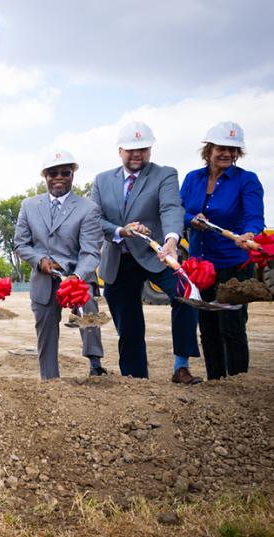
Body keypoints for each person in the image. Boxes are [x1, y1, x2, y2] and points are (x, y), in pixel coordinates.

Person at [91, 122, 201, 384]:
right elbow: (94, 219)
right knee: (129, 326)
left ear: (150, 149)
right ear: (120, 151)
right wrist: (122, 230)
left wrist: (172, 239)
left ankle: (181, 366)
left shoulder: (165, 175)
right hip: (119, 259)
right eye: (131, 150)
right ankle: (136, 380)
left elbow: (171, 209)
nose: (137, 154)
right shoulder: (102, 180)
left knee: (187, 295)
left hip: (157, 255)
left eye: (143, 148)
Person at [181, 121, 265, 379]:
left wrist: (249, 234)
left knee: (232, 327)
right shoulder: (192, 178)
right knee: (208, 327)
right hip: (202, 267)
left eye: (233, 148)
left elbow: (254, 217)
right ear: (209, 150)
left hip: (233, 266)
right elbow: (178, 210)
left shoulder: (247, 180)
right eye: (221, 148)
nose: (227, 153)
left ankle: (238, 383)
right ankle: (215, 381)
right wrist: (190, 220)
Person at [14, 151, 106, 380]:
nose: (59, 177)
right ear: (45, 176)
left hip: (76, 275)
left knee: (89, 309)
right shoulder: (29, 206)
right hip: (44, 278)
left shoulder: (88, 208)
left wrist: (77, 276)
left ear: (72, 175)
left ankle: (95, 364)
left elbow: (90, 251)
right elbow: (21, 244)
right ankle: (50, 380)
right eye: (53, 173)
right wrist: (39, 260)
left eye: (65, 173)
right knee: (46, 331)